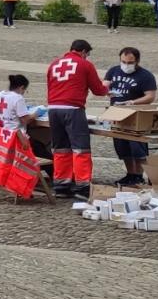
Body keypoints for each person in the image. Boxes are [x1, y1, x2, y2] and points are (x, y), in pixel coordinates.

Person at [46, 39, 110, 197]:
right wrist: (106, 86)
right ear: (83, 52)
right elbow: (97, 89)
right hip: (73, 109)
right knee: (81, 148)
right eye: (87, 54)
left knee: (61, 148)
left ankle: (61, 186)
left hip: (53, 109)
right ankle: (82, 187)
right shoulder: (84, 64)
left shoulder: (54, 64)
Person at [104, 47, 157, 186]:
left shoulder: (145, 76)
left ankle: (139, 174)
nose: (126, 65)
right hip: (117, 114)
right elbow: (105, 85)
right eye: (123, 62)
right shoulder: (113, 70)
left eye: (130, 62)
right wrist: (107, 91)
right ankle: (130, 174)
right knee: (122, 147)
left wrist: (132, 102)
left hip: (136, 116)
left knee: (137, 147)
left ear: (137, 61)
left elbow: (150, 96)